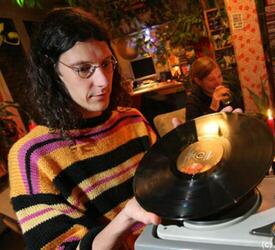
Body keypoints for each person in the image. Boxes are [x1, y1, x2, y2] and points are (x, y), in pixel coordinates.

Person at [7, 7, 160, 250]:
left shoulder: (132, 121)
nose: (103, 81)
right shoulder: (32, 156)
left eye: (107, 64)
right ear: (53, 72)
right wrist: (125, 220)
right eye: (83, 68)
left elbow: (167, 187)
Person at [185, 56, 243, 120]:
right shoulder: (193, 102)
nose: (218, 82)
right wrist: (213, 106)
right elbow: (193, 129)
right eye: (211, 79)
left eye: (219, 76)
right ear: (198, 81)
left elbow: (240, 112)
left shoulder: (229, 88)